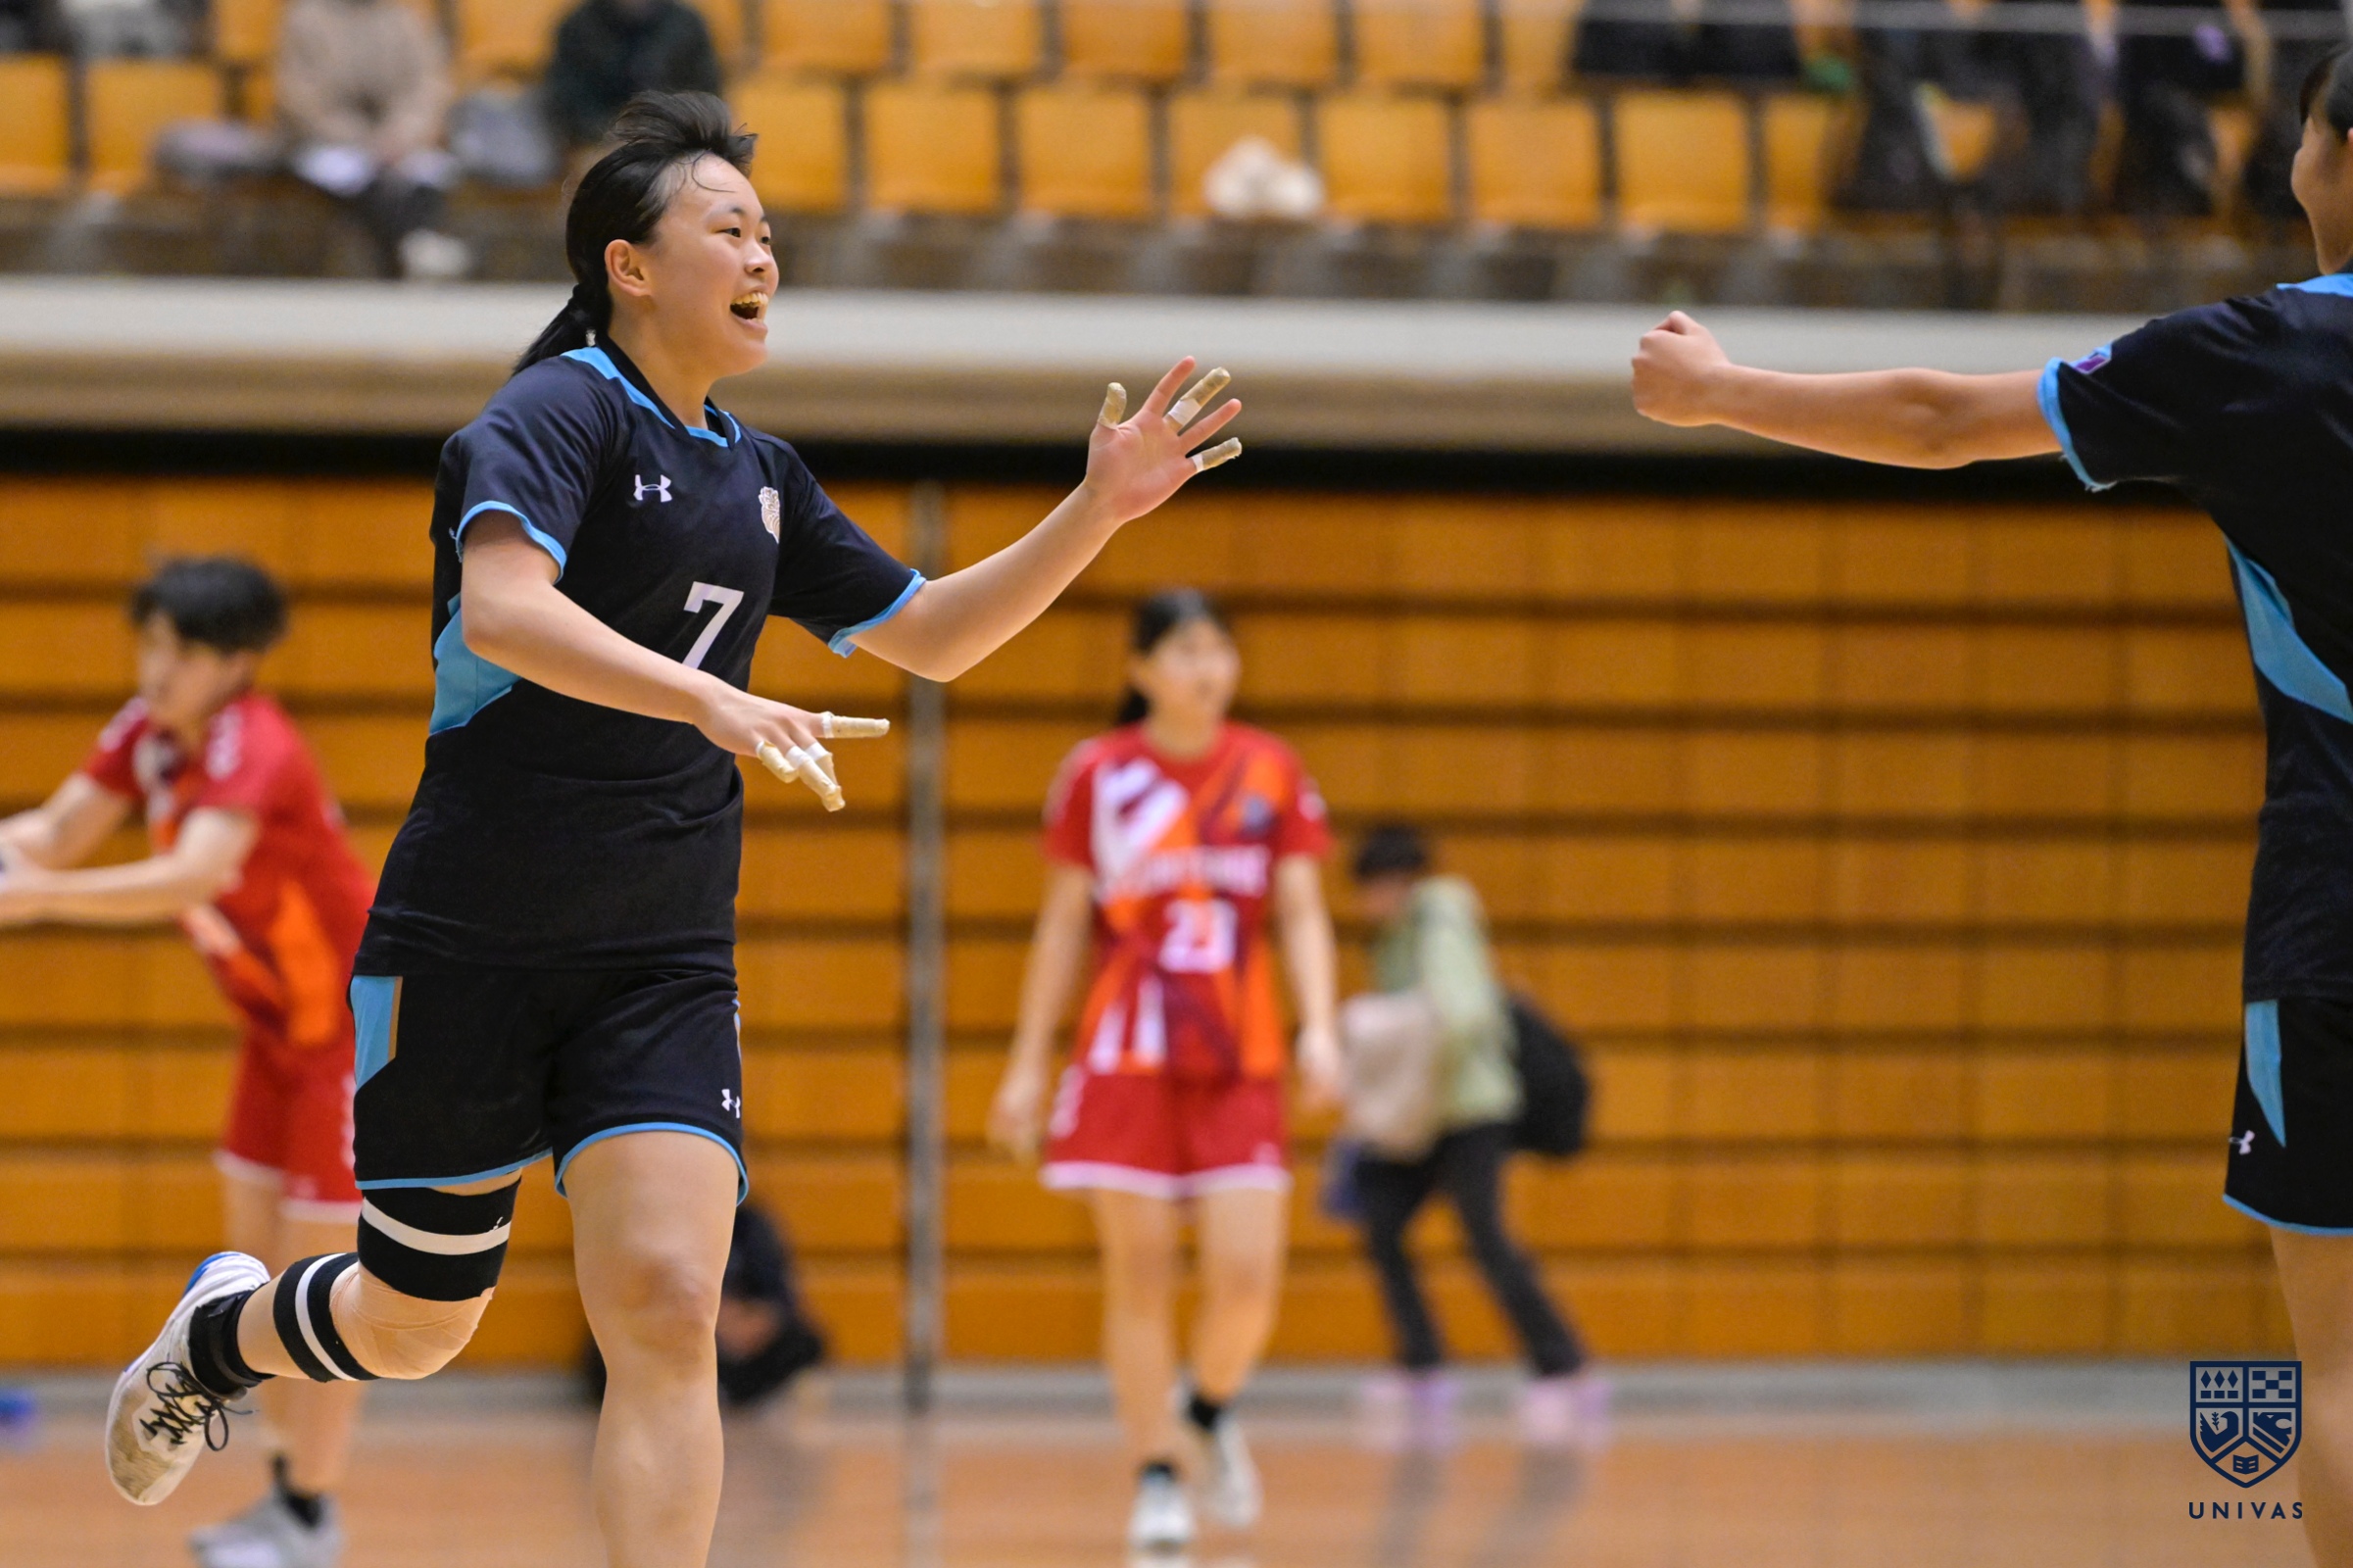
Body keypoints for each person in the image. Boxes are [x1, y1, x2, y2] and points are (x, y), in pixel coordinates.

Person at [100, 91, 1243, 1568]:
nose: (763, 256)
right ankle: (221, 1337)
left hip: (660, 957)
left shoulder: (761, 476)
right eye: (729, 228)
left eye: (768, 234)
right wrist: (708, 697)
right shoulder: (556, 413)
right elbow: (505, 612)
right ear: (629, 266)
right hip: (472, 938)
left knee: (668, 1300)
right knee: (413, 1322)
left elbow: (941, 635)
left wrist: (1096, 509)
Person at [1630, 43, 2353, 1566]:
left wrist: (1717, 391)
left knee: (2343, 1368)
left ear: (2329, 157)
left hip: (2333, 915)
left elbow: (1941, 418)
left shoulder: (2253, 355)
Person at [0, 559, 372, 1568]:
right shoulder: (149, 732)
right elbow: (54, 833)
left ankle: (309, 1513)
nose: (155, 668)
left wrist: (35, 901)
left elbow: (191, 874)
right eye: (150, 644)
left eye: (181, 651)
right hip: (273, 1037)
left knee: (319, 1285)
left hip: (351, 1035)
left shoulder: (257, 743)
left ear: (237, 662)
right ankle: (284, 1496)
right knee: (248, 1277)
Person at [988, 589, 1343, 1552]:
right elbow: (1063, 925)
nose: (1207, 667)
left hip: (1239, 1057)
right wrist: (1026, 1063)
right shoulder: (1098, 774)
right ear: (1140, 669)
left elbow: (1301, 911)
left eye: (1219, 649)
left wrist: (1320, 1029)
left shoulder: (1271, 768)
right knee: (1138, 1276)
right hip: (1126, 1055)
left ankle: (1207, 1409)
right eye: (1185, 650)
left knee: (1246, 1283)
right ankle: (1155, 1473)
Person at [1343, 824, 1601, 1453]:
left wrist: (1398, 1065)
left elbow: (1461, 1016)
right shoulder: (1395, 937)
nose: (1366, 904)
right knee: (1382, 1224)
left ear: (1396, 881)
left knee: (1486, 1236)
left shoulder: (1441, 916)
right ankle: (1422, 1364)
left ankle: (1564, 1368)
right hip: (1428, 1116)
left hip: (1470, 1109)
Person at [276, 0, 469, 281]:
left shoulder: (402, 18)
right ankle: (414, 249)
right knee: (358, 176)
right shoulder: (306, 18)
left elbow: (426, 88)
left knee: (425, 172)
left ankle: (414, 250)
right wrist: (359, 138)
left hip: (397, 141)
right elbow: (299, 96)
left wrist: (400, 134)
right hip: (329, 140)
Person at [546, 0, 722, 152]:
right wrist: (611, 134)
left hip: (673, 138)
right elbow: (569, 97)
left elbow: (704, 91)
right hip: (600, 141)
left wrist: (668, 131)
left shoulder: (686, 24)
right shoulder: (579, 25)